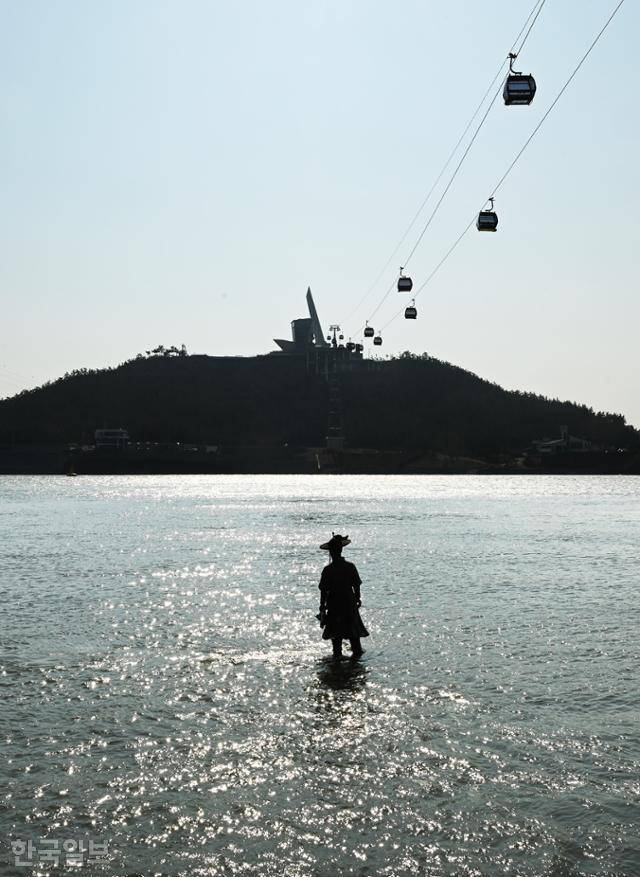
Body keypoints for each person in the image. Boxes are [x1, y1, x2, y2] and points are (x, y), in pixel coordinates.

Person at [317, 533, 369, 659]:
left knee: (336, 640)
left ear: (331, 552)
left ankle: (337, 667)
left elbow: (323, 591)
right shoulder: (350, 566)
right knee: (354, 638)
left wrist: (322, 607)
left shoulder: (328, 570)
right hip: (349, 604)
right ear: (341, 550)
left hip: (334, 605)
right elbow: (356, 585)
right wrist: (357, 599)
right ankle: (355, 668)